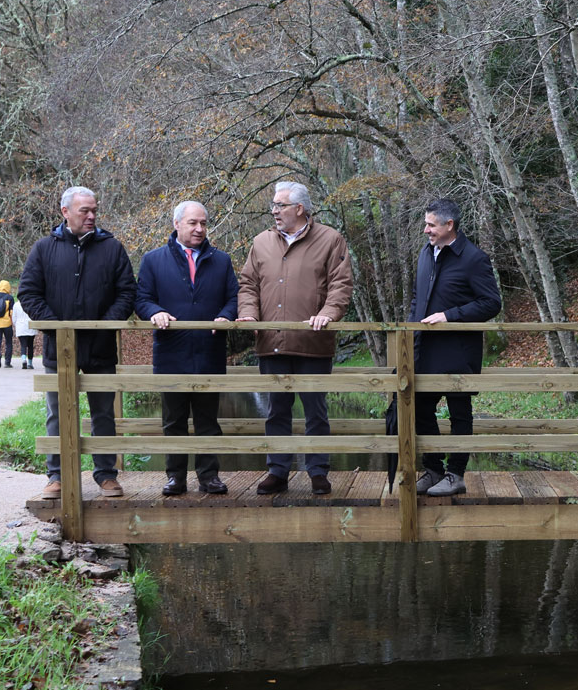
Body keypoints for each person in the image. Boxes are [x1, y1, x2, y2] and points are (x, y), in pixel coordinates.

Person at [18, 186, 137, 500]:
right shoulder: (44, 249)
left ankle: (106, 475)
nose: (92, 216)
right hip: (60, 348)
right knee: (57, 414)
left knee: (103, 414)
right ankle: (57, 477)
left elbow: (127, 293)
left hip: (101, 348)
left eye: (94, 210)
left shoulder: (112, 248)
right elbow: (29, 293)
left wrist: (105, 324)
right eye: (84, 210)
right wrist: (59, 328)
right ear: (65, 212)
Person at [236, 181, 353, 496]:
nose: (274, 211)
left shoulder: (330, 240)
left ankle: (317, 472)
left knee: (316, 411)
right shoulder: (261, 242)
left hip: (313, 344)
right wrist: (248, 314)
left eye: (280, 205)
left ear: (299, 209)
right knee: (276, 411)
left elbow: (341, 284)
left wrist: (328, 313)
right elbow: (248, 283)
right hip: (271, 343)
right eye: (273, 205)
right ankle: (277, 471)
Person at [135, 201, 238, 496]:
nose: (200, 229)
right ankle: (175, 477)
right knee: (173, 420)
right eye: (193, 223)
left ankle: (209, 476)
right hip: (171, 352)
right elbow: (141, 298)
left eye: (203, 223)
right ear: (177, 224)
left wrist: (226, 315)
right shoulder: (154, 260)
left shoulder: (221, 260)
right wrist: (155, 311)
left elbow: (234, 297)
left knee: (208, 420)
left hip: (209, 351)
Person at [410, 198, 502, 497]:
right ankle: (433, 470)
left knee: (459, 414)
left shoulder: (473, 258)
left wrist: (450, 316)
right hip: (425, 349)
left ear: (450, 225)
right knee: (421, 411)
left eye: (431, 225)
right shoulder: (425, 254)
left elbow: (491, 303)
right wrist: (411, 333)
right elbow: (417, 299)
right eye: (426, 224)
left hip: (458, 351)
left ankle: (456, 475)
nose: (426, 230)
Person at [12, 296, 37, 370]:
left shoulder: (16, 305)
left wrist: (16, 324)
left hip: (21, 327)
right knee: (30, 345)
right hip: (31, 326)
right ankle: (30, 363)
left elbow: (14, 318)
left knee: (23, 345)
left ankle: (23, 360)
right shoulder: (31, 303)